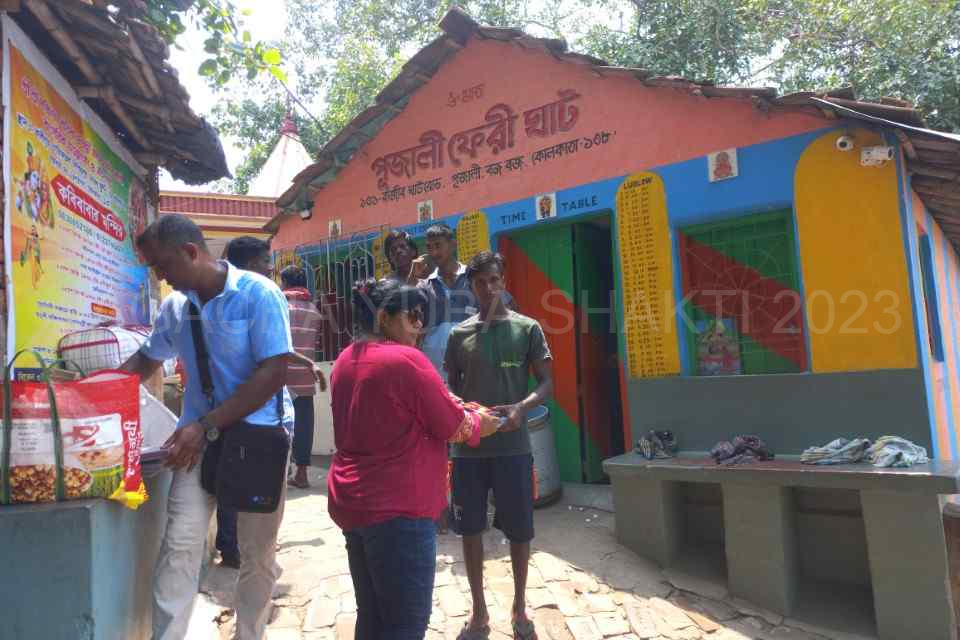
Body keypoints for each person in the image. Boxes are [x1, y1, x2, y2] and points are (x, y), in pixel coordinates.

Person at [121, 214, 295, 640]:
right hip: (196, 445)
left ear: (191, 252)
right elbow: (147, 360)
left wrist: (205, 424)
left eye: (164, 266)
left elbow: (274, 371)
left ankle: (250, 634)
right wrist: (98, 394)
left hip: (258, 439)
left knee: (256, 556)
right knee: (179, 548)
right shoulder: (175, 308)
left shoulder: (259, 295)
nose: (161, 276)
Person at [327, 278, 503, 639]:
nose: (420, 325)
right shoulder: (406, 360)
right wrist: (482, 423)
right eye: (413, 316)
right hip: (398, 511)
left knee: (372, 615)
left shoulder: (345, 360)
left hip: (354, 504)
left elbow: (400, 412)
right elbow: (454, 426)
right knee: (405, 625)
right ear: (386, 318)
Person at [445, 251, 554, 640]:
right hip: (469, 452)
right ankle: (479, 614)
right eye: (479, 283)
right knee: (470, 530)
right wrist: (466, 418)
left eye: (494, 280)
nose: (488, 288)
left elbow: (545, 384)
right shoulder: (460, 336)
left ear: (503, 281)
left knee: (520, 531)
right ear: (471, 288)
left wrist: (521, 409)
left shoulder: (528, 329)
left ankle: (520, 607)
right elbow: (449, 391)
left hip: (513, 449)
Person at [413, 223, 514, 382]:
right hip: (438, 375)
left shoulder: (475, 278)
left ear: (453, 245)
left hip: (476, 369)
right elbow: (412, 325)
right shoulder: (424, 286)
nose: (433, 252)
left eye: (438, 245)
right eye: (429, 247)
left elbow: (508, 308)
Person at [280, 264, 325, 488]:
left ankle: (281, 469)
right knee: (304, 424)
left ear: (285, 283)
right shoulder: (313, 309)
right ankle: (302, 474)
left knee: (280, 423)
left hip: (282, 375)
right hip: (306, 374)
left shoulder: (281, 305)